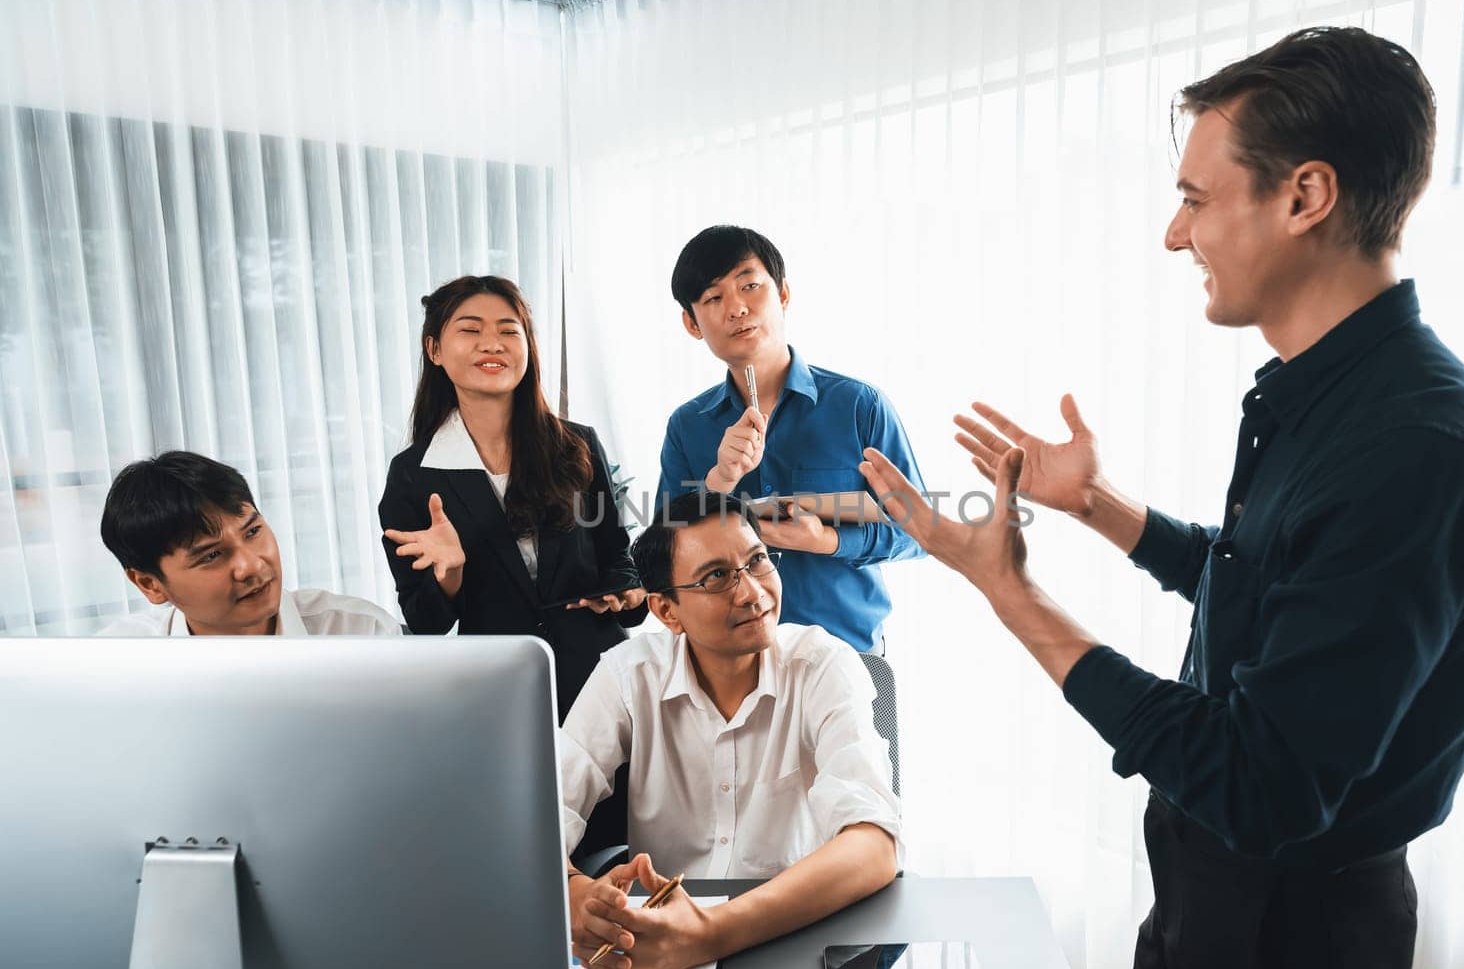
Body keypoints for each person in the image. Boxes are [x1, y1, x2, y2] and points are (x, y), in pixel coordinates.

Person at [858, 27, 1464, 969]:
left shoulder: (1415, 447)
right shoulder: (1324, 399)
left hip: (1291, 943)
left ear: (1305, 196)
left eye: (1194, 198)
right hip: (1209, 896)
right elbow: (1262, 591)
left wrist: (1012, 593)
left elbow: (1261, 782)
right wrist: (1097, 506)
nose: (1175, 236)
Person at [562, 492, 901, 969]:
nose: (752, 594)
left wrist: (709, 932)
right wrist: (574, 891)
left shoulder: (823, 665)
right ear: (666, 610)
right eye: (717, 576)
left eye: (757, 561)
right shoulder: (627, 675)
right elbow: (538, 814)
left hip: (793, 933)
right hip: (663, 940)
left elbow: (875, 844)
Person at [379, 275, 646, 721]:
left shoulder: (576, 443)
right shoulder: (412, 476)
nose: (493, 343)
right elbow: (426, 622)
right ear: (435, 350)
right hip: (498, 694)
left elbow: (617, 555)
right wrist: (451, 574)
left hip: (602, 681)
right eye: (470, 330)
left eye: (508, 330)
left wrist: (625, 592)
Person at [657, 225, 925, 654]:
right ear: (692, 323)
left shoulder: (860, 406)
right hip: (729, 666)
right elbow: (663, 555)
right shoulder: (687, 427)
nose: (737, 308)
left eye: (750, 285)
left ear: (782, 293)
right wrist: (720, 480)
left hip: (850, 657)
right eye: (713, 298)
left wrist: (829, 541)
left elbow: (920, 530)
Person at [99, 451, 398, 636]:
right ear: (150, 584)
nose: (252, 565)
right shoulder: (113, 667)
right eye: (212, 555)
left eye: (253, 531)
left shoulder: (361, 633)